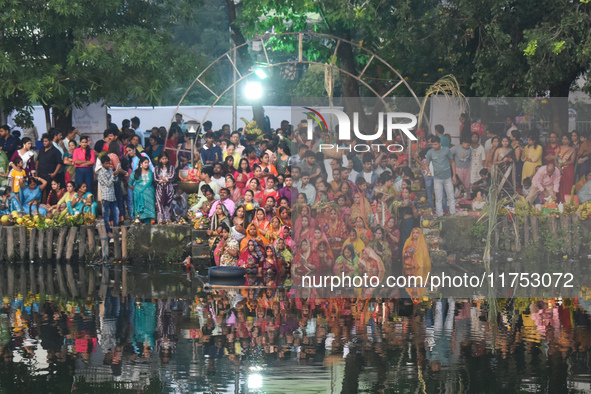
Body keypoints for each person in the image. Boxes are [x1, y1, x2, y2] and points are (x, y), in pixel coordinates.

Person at [425, 136, 456, 216]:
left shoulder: (446, 150)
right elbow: (426, 164)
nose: (434, 146)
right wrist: (428, 171)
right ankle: (439, 214)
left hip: (448, 177)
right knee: (438, 198)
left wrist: (454, 176)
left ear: (440, 143)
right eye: (433, 145)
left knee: (451, 196)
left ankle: (453, 213)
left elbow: (452, 162)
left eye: (436, 144)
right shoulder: (430, 152)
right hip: (437, 178)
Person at [402, 227, 431, 301]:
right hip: (409, 268)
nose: (415, 234)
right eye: (413, 233)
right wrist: (408, 253)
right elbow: (404, 253)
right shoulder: (408, 242)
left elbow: (424, 256)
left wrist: (415, 253)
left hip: (419, 268)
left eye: (417, 233)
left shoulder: (422, 244)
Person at [97, 155, 120, 237]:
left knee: (116, 213)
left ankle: (115, 229)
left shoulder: (110, 170)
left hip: (112, 196)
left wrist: (116, 175)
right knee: (106, 215)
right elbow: (108, 184)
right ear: (102, 164)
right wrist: (113, 176)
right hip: (106, 196)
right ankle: (108, 231)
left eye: (109, 163)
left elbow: (115, 181)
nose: (108, 165)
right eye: (106, 164)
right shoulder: (101, 173)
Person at [129, 156, 156, 223]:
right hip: (139, 193)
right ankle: (140, 221)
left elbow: (151, 182)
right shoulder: (136, 173)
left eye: (148, 163)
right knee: (140, 213)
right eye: (145, 163)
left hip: (149, 194)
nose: (147, 164)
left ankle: (148, 223)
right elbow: (130, 183)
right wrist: (137, 190)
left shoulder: (150, 172)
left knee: (149, 211)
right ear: (141, 163)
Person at [154, 152, 175, 224]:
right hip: (160, 188)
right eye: (163, 159)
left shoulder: (171, 167)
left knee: (168, 203)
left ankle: (167, 219)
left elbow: (172, 177)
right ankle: (160, 220)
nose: (164, 160)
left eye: (166, 158)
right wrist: (163, 180)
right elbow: (155, 178)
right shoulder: (156, 168)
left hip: (169, 188)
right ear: (160, 159)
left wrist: (164, 179)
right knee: (160, 203)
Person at [556, 134, 576, 202]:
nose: (564, 140)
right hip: (559, 169)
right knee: (559, 186)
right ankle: (559, 202)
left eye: (566, 139)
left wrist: (563, 164)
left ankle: (567, 203)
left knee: (568, 187)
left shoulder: (573, 150)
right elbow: (555, 160)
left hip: (569, 169)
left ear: (569, 140)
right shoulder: (558, 148)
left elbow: (572, 161)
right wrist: (559, 167)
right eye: (563, 139)